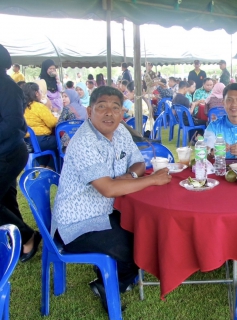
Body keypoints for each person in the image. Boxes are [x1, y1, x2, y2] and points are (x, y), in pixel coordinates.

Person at [52, 86, 171, 313]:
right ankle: (109, 284)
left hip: (107, 211)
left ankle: (115, 276)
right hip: (78, 222)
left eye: (115, 108)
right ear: (89, 111)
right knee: (139, 247)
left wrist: (131, 176)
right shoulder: (84, 141)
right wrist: (152, 181)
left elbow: (137, 163)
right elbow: (107, 189)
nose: (109, 113)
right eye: (102, 107)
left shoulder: (120, 132)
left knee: (148, 232)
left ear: (121, 112)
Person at [0, 44, 42, 263]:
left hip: (8, 153)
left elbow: (16, 124)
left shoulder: (6, 86)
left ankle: (28, 237)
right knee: (6, 200)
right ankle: (12, 241)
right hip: (6, 151)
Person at [22, 82, 58, 169]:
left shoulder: (21, 107)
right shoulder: (38, 106)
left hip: (26, 142)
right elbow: (52, 123)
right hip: (40, 140)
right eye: (40, 91)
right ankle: (50, 169)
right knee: (61, 143)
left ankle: (41, 167)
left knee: (48, 147)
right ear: (36, 93)